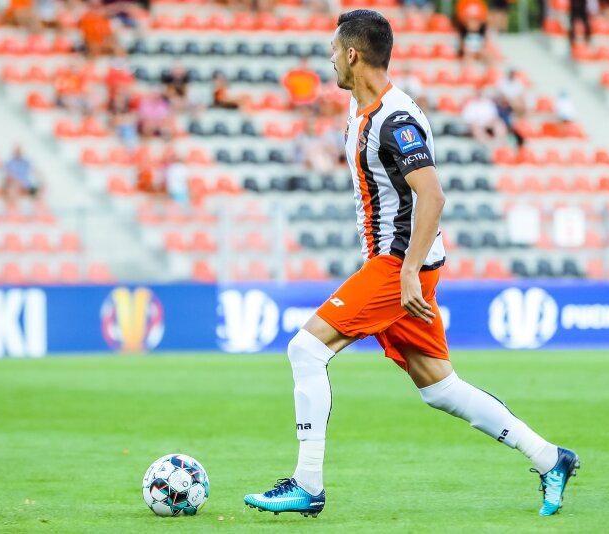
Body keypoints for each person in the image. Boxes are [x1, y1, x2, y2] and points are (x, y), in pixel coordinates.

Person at [243, 9, 579, 519]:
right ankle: (551, 458)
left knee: (305, 350)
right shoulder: (363, 109)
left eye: (334, 50)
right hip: (400, 265)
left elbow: (433, 196)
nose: (330, 59)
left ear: (352, 54)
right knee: (441, 388)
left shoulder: (394, 120)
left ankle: (307, 485)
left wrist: (405, 272)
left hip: (398, 266)